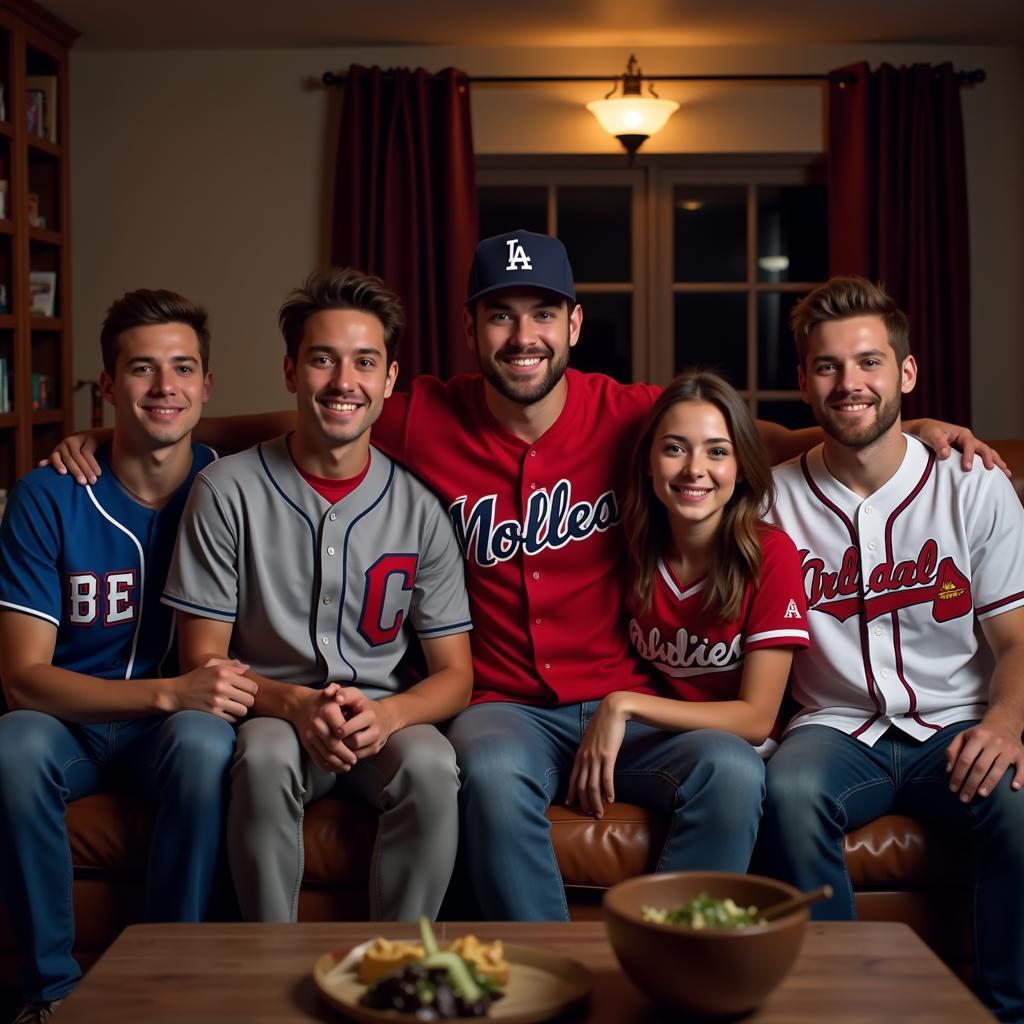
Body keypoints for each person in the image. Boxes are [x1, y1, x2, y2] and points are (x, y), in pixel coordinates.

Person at [44, 231, 1004, 921]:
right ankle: (552, 974)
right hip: (500, 698)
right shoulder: (417, 413)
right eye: (500, 317)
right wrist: (125, 431)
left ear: (574, 322)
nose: (522, 336)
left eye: (542, 312)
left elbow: (746, 442)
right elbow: (292, 416)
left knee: (726, 769)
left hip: (621, 693)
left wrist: (906, 428)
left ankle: (675, 961)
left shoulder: (627, 415)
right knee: (492, 767)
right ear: (472, 331)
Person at [161, 268, 473, 923]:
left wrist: (389, 718)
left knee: (433, 763)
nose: (343, 382)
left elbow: (455, 677)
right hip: (270, 710)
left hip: (377, 714)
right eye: (322, 359)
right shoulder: (226, 491)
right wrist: (295, 704)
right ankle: (268, 971)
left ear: (389, 380)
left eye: (365, 362)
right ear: (290, 370)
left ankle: (398, 972)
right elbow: (201, 659)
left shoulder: (421, 509)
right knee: (267, 755)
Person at [760, 276, 1024, 1024]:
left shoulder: (973, 485)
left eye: (870, 363)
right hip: (835, 727)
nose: (851, 384)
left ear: (906, 374)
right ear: (803, 385)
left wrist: (1003, 726)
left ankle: (1007, 1014)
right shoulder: (770, 500)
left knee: (1018, 808)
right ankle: (839, 1011)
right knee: (789, 793)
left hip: (958, 723)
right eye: (828, 367)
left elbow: (1016, 640)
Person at [0, 290, 256, 1024]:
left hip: (174, 734)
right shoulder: (47, 495)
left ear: (208, 386)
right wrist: (169, 693)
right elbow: (22, 681)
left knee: (206, 741)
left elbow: (312, 422)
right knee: (13, 744)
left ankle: (173, 985)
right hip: (71, 724)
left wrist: (178, 704)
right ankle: (50, 994)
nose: (164, 388)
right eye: (142, 371)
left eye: (183, 370)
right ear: (108, 385)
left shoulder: (233, 483)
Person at [565, 369, 809, 868]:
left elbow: (756, 718)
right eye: (675, 448)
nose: (695, 468)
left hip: (731, 747)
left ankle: (678, 937)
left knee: (731, 767)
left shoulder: (769, 554)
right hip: (653, 743)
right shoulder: (631, 546)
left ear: (741, 467)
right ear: (649, 465)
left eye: (717, 451)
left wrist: (625, 705)